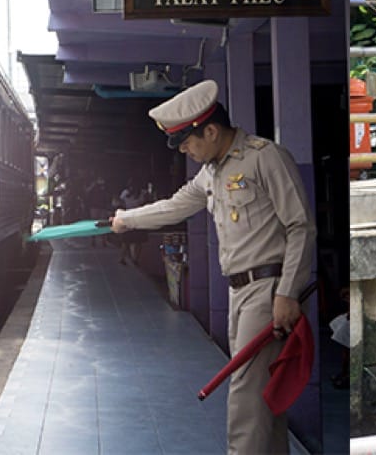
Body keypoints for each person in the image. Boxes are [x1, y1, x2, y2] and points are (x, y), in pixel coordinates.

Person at [110, 79, 315, 454]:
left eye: (188, 142)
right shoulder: (212, 171)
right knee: (263, 396)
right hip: (239, 292)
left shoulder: (264, 156)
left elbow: (300, 225)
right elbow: (174, 206)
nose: (186, 151)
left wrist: (287, 291)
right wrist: (128, 219)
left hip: (268, 290)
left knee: (244, 396)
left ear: (211, 129)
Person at [117, 179, 148, 265]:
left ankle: (123, 258)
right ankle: (135, 259)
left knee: (126, 240)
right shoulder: (142, 194)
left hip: (128, 217)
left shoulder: (125, 193)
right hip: (138, 217)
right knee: (137, 241)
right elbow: (145, 204)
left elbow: (121, 204)